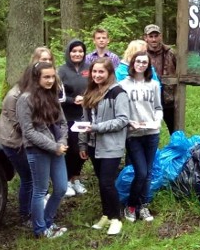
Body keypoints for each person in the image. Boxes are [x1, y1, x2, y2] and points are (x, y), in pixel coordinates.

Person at [16, 62, 69, 238]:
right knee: (40, 190)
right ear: (36, 78)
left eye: (52, 77)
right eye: (46, 77)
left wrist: (61, 141)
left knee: (61, 188)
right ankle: (40, 229)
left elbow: (62, 122)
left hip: (57, 148)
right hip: (38, 150)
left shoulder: (52, 95)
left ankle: (47, 222)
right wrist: (53, 146)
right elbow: (28, 131)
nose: (50, 80)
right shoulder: (25, 99)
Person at [79, 58, 130, 235]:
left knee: (107, 182)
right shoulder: (89, 91)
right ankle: (106, 214)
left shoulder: (118, 93)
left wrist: (97, 128)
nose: (97, 75)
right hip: (93, 145)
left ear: (109, 73)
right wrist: (82, 143)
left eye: (101, 72)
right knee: (101, 182)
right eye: (94, 71)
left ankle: (116, 218)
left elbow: (123, 120)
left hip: (111, 145)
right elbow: (85, 120)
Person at [119, 52, 162, 222]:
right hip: (133, 134)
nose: (141, 64)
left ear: (148, 65)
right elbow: (120, 111)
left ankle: (143, 206)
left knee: (148, 172)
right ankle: (130, 205)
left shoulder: (153, 85)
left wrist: (157, 121)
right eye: (138, 61)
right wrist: (129, 122)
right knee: (141, 172)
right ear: (132, 63)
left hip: (151, 133)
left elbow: (158, 107)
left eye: (145, 62)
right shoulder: (123, 85)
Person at [0, 66, 35, 226]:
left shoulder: (27, 93)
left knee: (30, 177)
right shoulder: (14, 96)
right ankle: (25, 214)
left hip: (22, 141)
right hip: (13, 142)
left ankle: (29, 210)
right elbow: (20, 125)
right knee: (28, 178)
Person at [58, 39, 90, 197]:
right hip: (68, 115)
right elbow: (58, 95)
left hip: (85, 115)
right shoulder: (61, 71)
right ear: (68, 53)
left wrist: (88, 98)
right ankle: (66, 181)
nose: (77, 54)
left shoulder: (89, 68)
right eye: (74, 51)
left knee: (83, 148)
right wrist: (73, 100)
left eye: (80, 51)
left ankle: (75, 178)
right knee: (71, 148)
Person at [144, 24, 176, 134]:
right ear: (146, 38)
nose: (153, 39)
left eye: (156, 36)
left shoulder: (171, 53)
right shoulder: (142, 54)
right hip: (149, 99)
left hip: (169, 98)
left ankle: (178, 149)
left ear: (160, 37)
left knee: (174, 129)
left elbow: (180, 71)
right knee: (149, 131)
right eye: (151, 36)